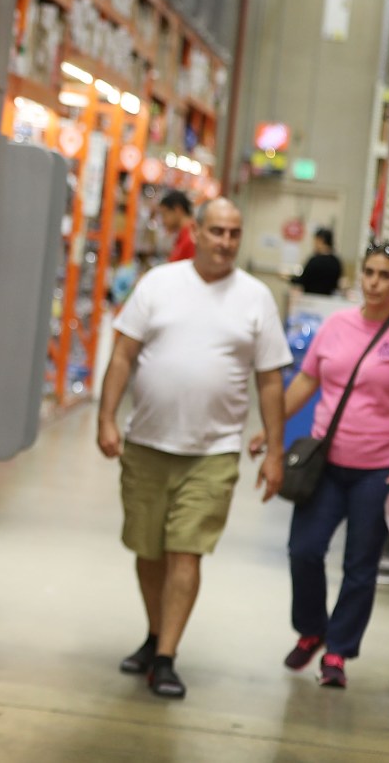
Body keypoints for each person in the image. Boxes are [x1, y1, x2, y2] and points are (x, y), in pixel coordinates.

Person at [97, 198, 291, 699]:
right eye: (217, 232)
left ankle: (165, 657)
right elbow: (123, 355)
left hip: (214, 451)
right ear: (197, 233)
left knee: (187, 553)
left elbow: (270, 380)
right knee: (147, 550)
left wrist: (274, 450)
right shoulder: (159, 283)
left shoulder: (255, 297)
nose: (226, 242)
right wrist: (106, 418)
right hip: (146, 443)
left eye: (234, 233)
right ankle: (154, 633)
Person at [253, 243, 389, 689]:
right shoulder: (335, 326)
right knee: (304, 550)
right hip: (325, 463)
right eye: (369, 273)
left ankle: (337, 652)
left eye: (385, 276)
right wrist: (271, 430)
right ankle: (312, 628)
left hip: (378, 470)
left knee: (359, 565)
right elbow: (305, 381)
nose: (374, 283)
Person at [293, 227, 343, 296]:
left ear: (320, 240)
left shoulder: (315, 261)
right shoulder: (336, 261)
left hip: (311, 299)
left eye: (315, 241)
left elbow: (302, 280)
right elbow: (336, 283)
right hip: (329, 300)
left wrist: (289, 278)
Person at [158, 189, 195, 262]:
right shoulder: (182, 235)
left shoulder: (192, 238)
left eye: (164, 215)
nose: (163, 221)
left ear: (177, 210)